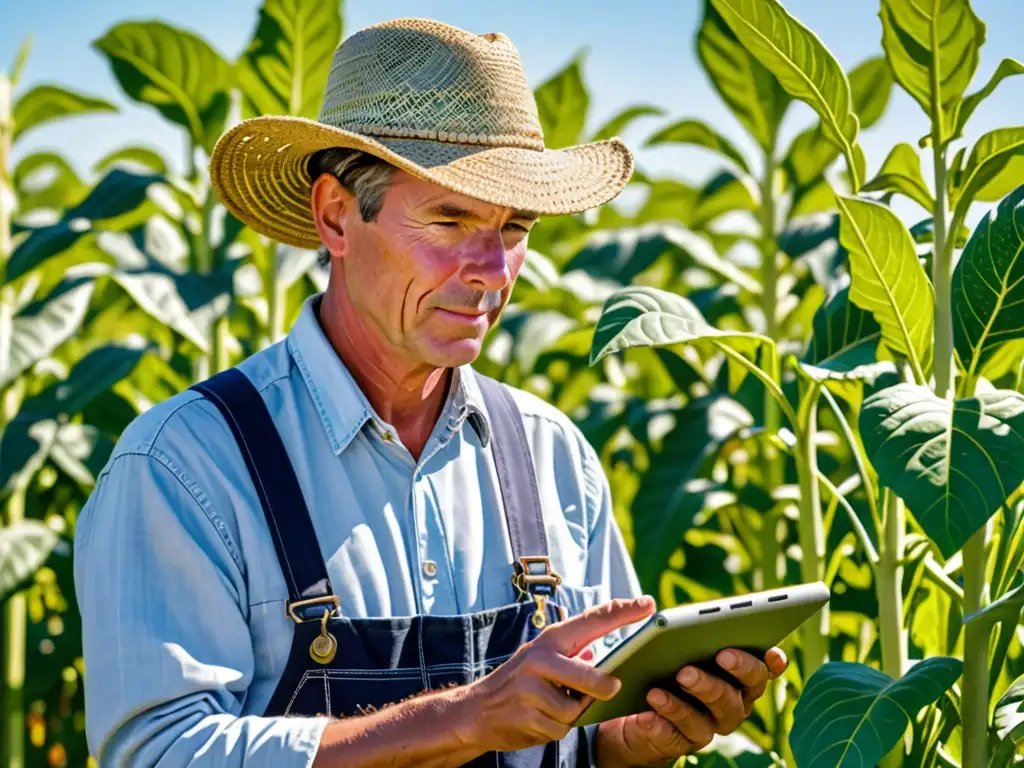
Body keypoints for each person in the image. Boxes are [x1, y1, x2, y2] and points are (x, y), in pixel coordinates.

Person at [73, 17, 787, 768]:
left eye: (515, 228)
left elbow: (571, 746)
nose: (492, 269)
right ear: (336, 216)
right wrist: (467, 718)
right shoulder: (188, 463)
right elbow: (158, 751)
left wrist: (626, 744)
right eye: (450, 218)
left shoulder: (553, 457)